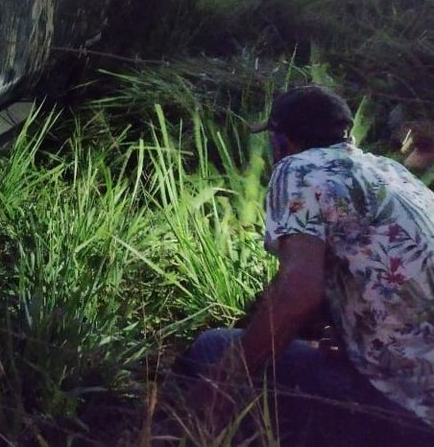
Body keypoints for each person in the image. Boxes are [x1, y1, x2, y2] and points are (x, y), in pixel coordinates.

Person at [175, 85, 434, 444]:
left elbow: (298, 291)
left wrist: (220, 386)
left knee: (213, 348)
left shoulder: (298, 168)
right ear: (349, 136)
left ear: (282, 140)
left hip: (406, 414)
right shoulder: (393, 174)